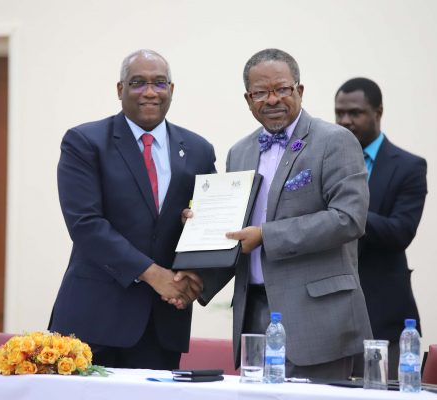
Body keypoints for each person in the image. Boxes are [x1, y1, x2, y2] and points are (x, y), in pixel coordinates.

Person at [188, 49, 372, 380]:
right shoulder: (240, 152)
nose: (272, 99)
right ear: (248, 99)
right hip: (254, 314)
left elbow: (349, 218)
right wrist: (199, 255)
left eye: (282, 89)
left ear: (299, 91)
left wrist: (266, 235)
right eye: (261, 92)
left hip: (319, 318)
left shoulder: (335, 141)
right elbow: (238, 235)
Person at [49, 49, 216, 369]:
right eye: (138, 83)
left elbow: (208, 220)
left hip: (163, 322)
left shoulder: (198, 149)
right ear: (120, 89)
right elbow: (86, 225)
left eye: (159, 83)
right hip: (93, 320)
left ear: (172, 89)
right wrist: (155, 276)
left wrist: (196, 277)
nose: (150, 92)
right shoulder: (85, 142)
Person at [334, 77, 427, 378]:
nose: (345, 121)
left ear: (378, 112)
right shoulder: (326, 163)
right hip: (330, 313)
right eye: (339, 113)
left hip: (384, 313)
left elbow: (401, 231)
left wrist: (348, 214)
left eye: (355, 113)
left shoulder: (409, 166)